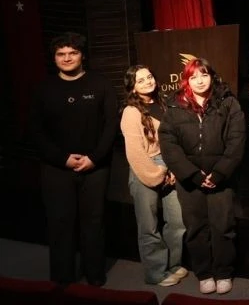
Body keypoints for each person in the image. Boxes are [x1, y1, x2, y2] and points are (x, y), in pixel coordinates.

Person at [30, 33, 117, 286]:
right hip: (56, 168)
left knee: (94, 223)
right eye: (61, 54)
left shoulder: (101, 84)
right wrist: (63, 159)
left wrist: (94, 158)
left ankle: (95, 278)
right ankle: (62, 281)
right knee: (60, 224)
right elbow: (36, 130)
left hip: (95, 167)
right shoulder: (43, 88)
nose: (67, 58)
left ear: (82, 56)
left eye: (72, 53)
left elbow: (111, 125)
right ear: (54, 58)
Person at [159, 58, 245, 295]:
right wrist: (193, 175)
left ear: (212, 77)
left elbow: (237, 140)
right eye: (193, 76)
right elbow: (169, 145)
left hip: (221, 178)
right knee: (195, 227)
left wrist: (219, 173)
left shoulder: (228, 102)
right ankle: (204, 273)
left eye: (204, 74)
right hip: (190, 180)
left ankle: (223, 272)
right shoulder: (174, 106)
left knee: (223, 226)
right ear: (186, 80)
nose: (199, 81)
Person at [121, 65, 187, 287]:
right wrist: (159, 173)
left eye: (149, 77)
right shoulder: (131, 112)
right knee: (148, 225)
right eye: (140, 80)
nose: (148, 81)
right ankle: (156, 272)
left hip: (170, 165)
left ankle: (173, 264)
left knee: (177, 222)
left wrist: (174, 168)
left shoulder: (165, 103)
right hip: (146, 167)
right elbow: (135, 153)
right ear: (133, 87)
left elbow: (175, 139)